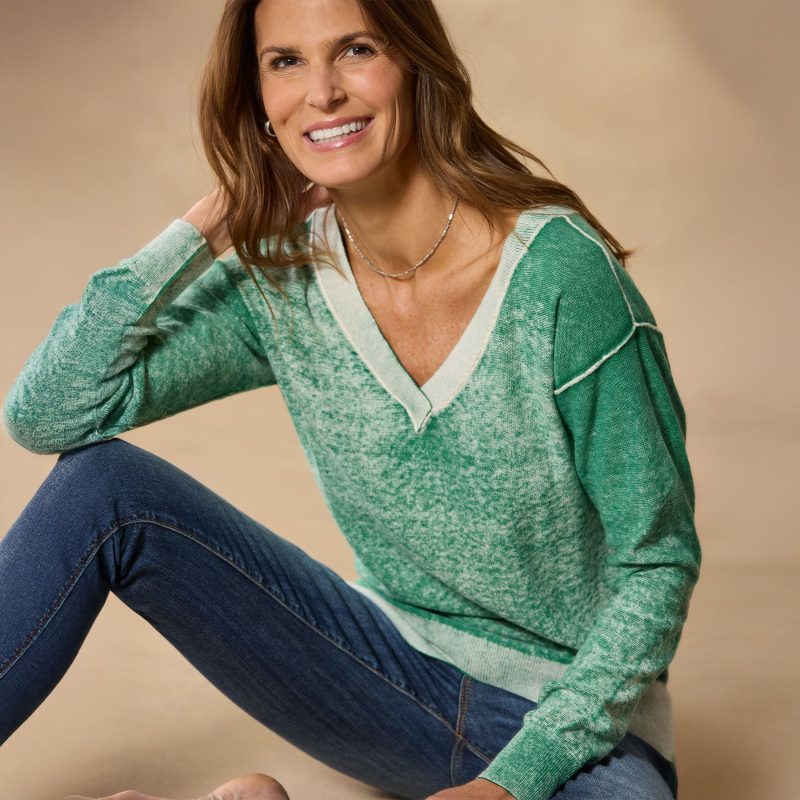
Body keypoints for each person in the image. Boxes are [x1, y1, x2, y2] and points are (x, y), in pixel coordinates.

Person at [0, 1, 702, 799]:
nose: (322, 92)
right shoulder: (283, 281)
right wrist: (209, 225)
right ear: (258, 99)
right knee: (103, 488)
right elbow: (48, 413)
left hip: (573, 720)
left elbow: (658, 562)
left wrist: (513, 782)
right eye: (285, 62)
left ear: (415, 63)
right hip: (380, 681)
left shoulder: (562, 281)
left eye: (356, 49)